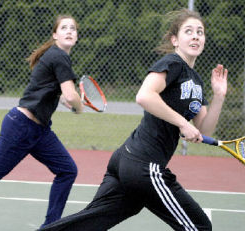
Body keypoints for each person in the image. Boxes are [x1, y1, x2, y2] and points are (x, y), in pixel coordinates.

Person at [39, 8, 228, 231]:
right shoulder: (173, 63)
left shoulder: (195, 81)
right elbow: (145, 96)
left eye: (200, 32)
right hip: (143, 164)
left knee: (89, 223)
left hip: (128, 162)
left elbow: (204, 128)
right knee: (199, 227)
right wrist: (182, 123)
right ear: (175, 40)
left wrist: (219, 96)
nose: (196, 36)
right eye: (189, 31)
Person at [0, 15, 84, 228]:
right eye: (64, 28)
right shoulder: (59, 56)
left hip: (40, 131)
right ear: (55, 35)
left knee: (67, 170)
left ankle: (51, 226)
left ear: (77, 36)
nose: (69, 31)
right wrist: (79, 106)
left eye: (73, 28)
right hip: (21, 126)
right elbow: (71, 97)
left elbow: (62, 96)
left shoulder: (58, 57)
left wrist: (73, 102)